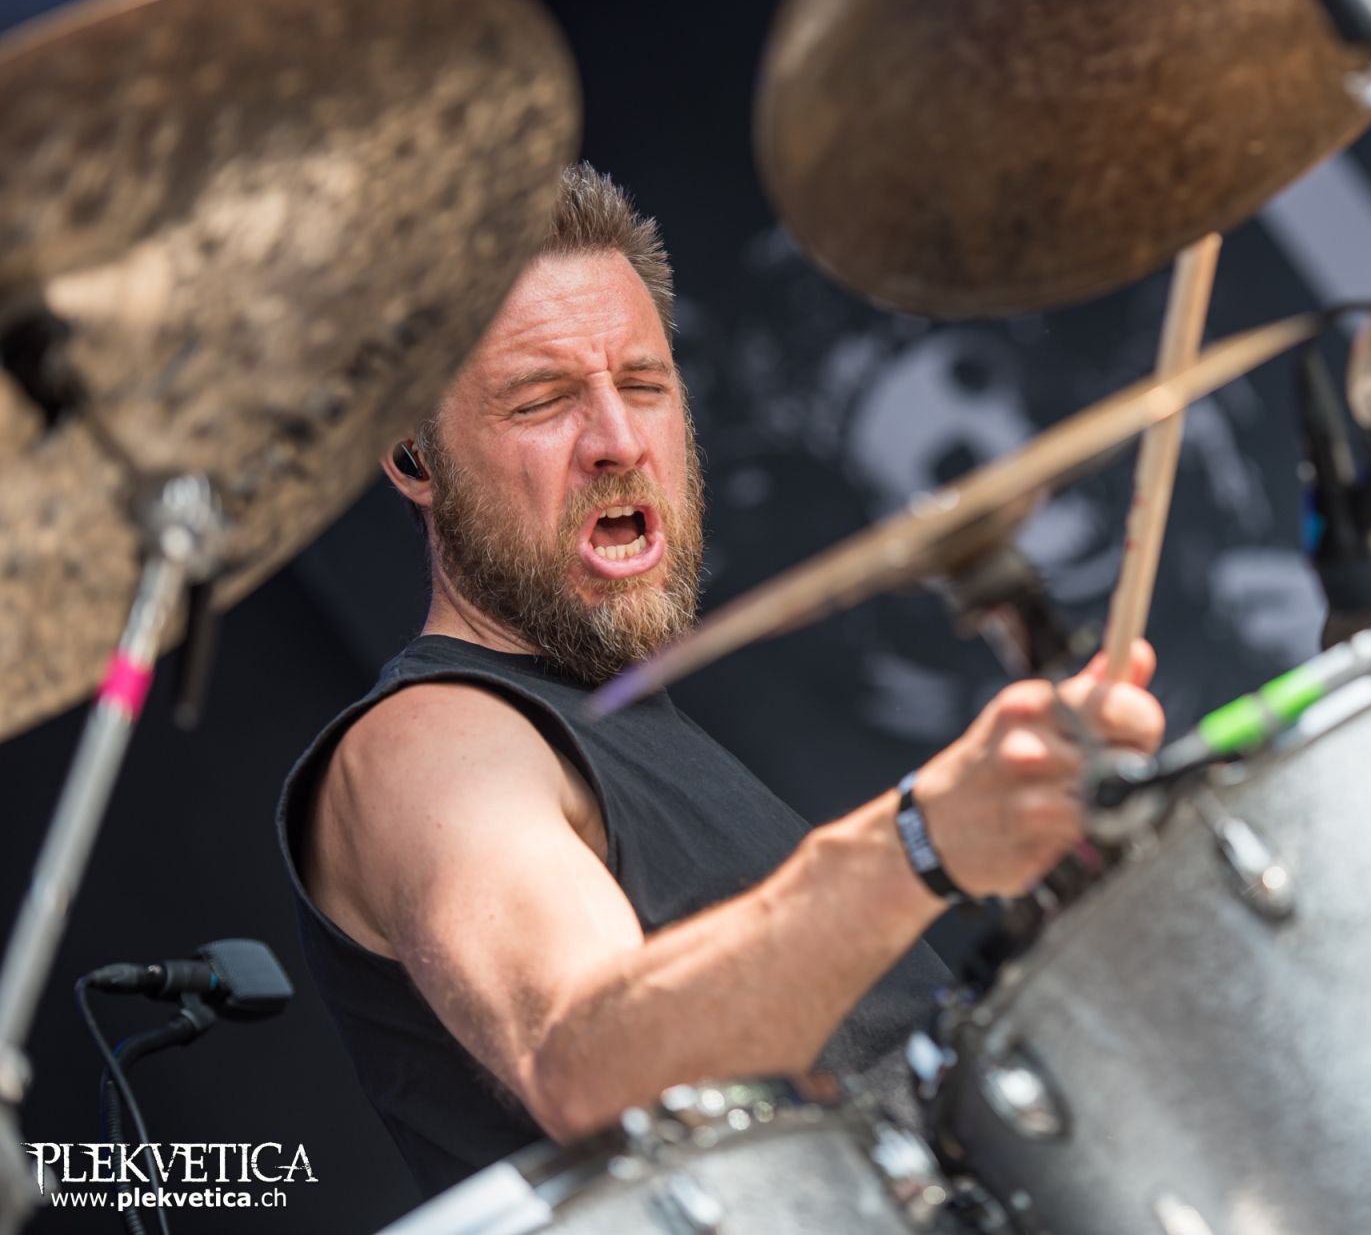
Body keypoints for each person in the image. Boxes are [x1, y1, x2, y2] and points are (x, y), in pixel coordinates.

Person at [276, 162, 1164, 1197]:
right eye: (543, 400)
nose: (618, 442)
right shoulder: (429, 740)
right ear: (414, 457)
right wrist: (921, 840)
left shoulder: (618, 723)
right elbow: (588, 1062)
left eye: (644, 386)